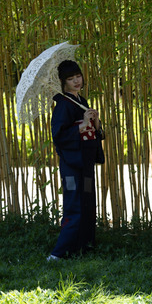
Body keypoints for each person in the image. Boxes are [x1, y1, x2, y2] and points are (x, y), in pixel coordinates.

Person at [47, 60, 105, 261]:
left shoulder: (82, 100)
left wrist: (95, 122)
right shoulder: (63, 104)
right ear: (63, 83)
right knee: (74, 203)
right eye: (71, 79)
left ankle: (83, 245)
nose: (76, 81)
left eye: (78, 76)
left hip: (86, 161)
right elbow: (58, 135)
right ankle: (58, 252)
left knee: (88, 201)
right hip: (72, 164)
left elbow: (94, 132)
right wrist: (82, 125)